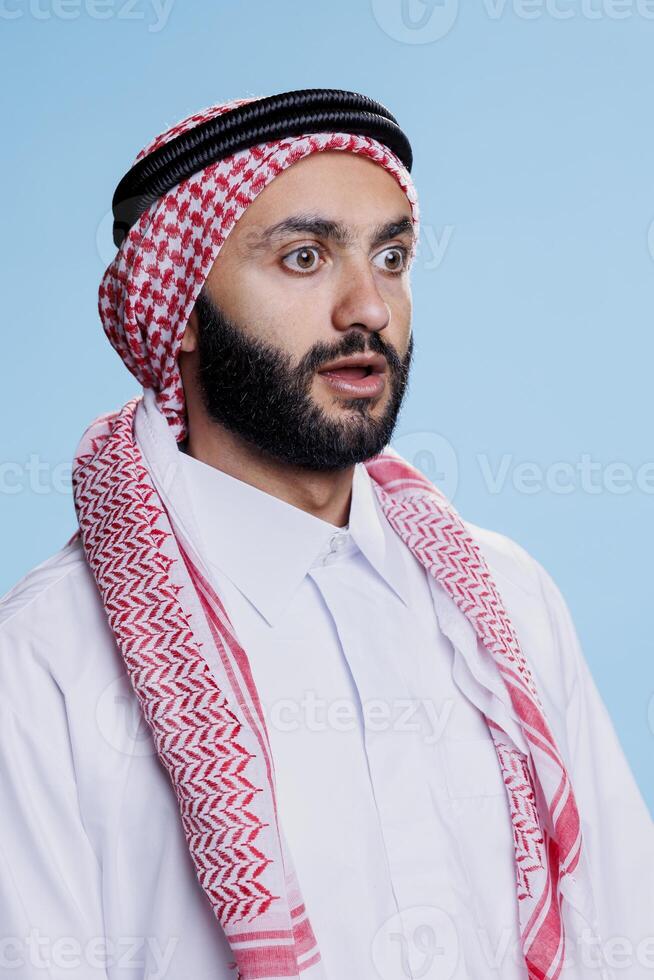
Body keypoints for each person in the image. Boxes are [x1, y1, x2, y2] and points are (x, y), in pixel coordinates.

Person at [0, 88, 651, 980]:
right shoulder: (45, 656)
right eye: (305, 258)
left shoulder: (508, 598)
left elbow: (626, 935)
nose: (370, 308)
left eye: (392, 256)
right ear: (180, 310)